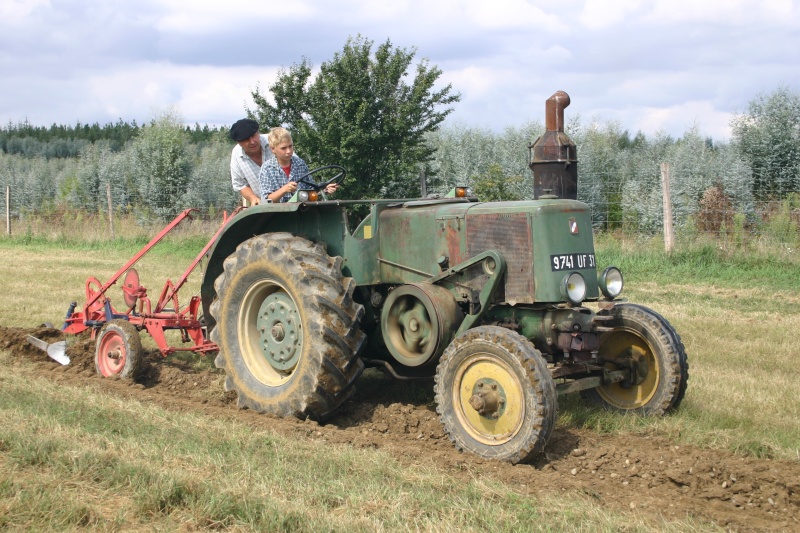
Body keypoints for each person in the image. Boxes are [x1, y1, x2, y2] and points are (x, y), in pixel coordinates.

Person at [259, 127, 340, 203]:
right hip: (278, 213)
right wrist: (284, 189)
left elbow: (311, 192)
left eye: (290, 146)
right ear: (273, 149)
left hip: (301, 211)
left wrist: (324, 190)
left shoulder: (300, 164)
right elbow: (267, 200)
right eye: (283, 148)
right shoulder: (267, 169)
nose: (289, 151)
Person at [229, 118, 269, 205]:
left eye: (254, 136)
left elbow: (296, 166)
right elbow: (240, 184)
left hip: (293, 202)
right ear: (238, 142)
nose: (252, 142)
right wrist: (253, 198)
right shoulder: (236, 155)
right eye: (246, 139)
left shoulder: (275, 141)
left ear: (258, 132)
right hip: (264, 206)